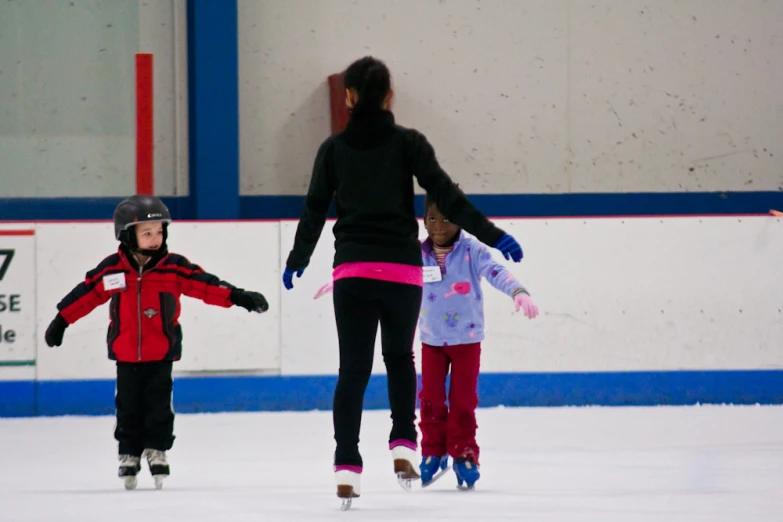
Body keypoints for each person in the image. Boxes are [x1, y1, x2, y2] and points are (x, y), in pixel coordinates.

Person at [282, 55, 524, 507]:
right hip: (401, 272)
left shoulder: (332, 149)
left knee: (352, 370)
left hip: (352, 270)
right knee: (399, 357)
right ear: (389, 95)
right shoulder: (409, 143)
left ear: (349, 97)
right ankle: (401, 444)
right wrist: (495, 235)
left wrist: (298, 258)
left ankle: (347, 468)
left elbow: (314, 210)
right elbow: (450, 197)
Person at [43, 195, 269, 490]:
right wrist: (62, 320)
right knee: (128, 406)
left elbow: (205, 285)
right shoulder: (113, 270)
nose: (154, 239)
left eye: (159, 232)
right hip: (125, 354)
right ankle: (128, 453)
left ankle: (157, 449)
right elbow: (87, 294)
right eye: (146, 233)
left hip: (161, 353)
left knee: (159, 406)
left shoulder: (173, 268)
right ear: (127, 235)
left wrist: (238, 296)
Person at [417, 194, 539, 490]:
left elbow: (496, 271)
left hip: (467, 340)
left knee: (462, 400)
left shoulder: (471, 250)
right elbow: (389, 271)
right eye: (432, 218)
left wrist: (517, 291)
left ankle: (464, 452)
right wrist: (351, 279)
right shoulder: (415, 252)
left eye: (446, 218)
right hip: (431, 340)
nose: (438, 226)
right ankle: (433, 451)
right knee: (430, 399)